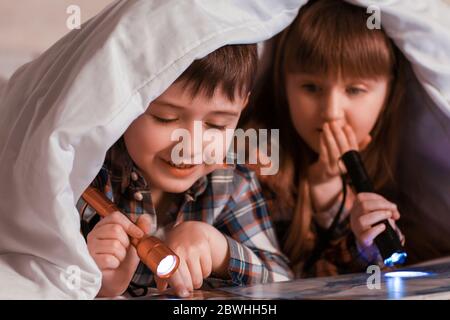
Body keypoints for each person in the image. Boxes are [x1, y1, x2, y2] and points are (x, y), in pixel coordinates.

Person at [78, 44, 293, 298]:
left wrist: (219, 250)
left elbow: (284, 285)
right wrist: (95, 284)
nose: (189, 147)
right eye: (165, 118)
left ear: (242, 106)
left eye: (217, 124)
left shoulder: (230, 180)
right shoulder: (84, 175)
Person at [240, 0, 407, 277]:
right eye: (311, 87)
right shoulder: (258, 154)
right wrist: (325, 190)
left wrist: (365, 245)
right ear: (284, 86)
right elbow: (285, 278)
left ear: (388, 93)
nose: (331, 112)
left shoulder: (400, 164)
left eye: (354, 90)